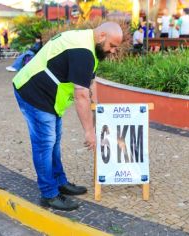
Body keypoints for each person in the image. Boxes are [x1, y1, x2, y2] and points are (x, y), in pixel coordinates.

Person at [12, 22, 123, 211]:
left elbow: (91, 82)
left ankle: (59, 182)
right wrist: (89, 132)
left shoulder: (90, 45)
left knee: (54, 141)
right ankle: (49, 194)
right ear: (102, 35)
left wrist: (99, 109)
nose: (112, 51)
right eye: (112, 46)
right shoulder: (83, 51)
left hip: (49, 97)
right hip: (34, 92)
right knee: (45, 143)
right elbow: (81, 95)